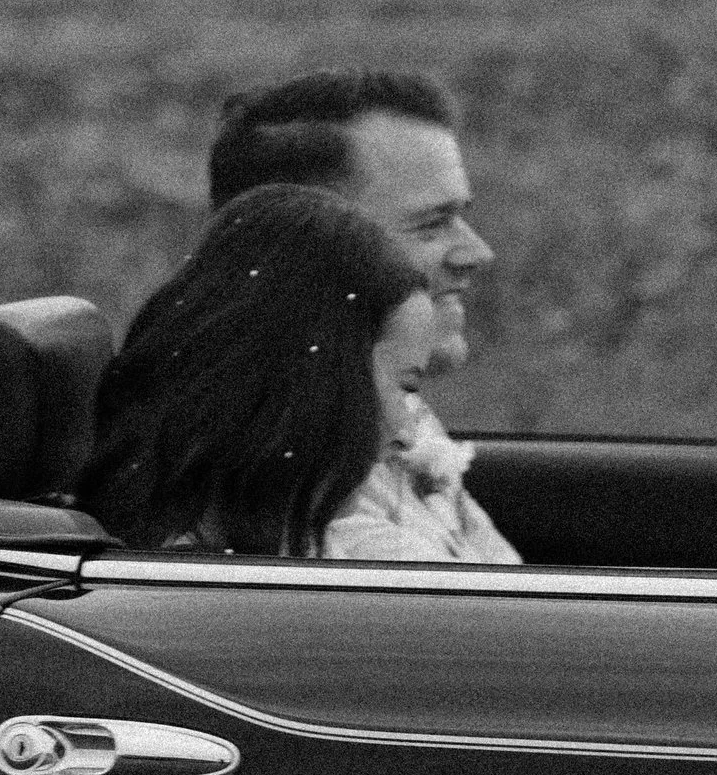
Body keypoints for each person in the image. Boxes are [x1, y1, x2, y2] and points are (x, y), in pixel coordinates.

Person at [76, 185, 518, 563]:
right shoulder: (200, 575)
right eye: (405, 388)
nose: (406, 433)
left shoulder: (265, 545)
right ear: (320, 383)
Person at [204, 68, 511, 547]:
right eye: (431, 225)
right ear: (306, 245)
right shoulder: (301, 499)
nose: (478, 253)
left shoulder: (393, 410)